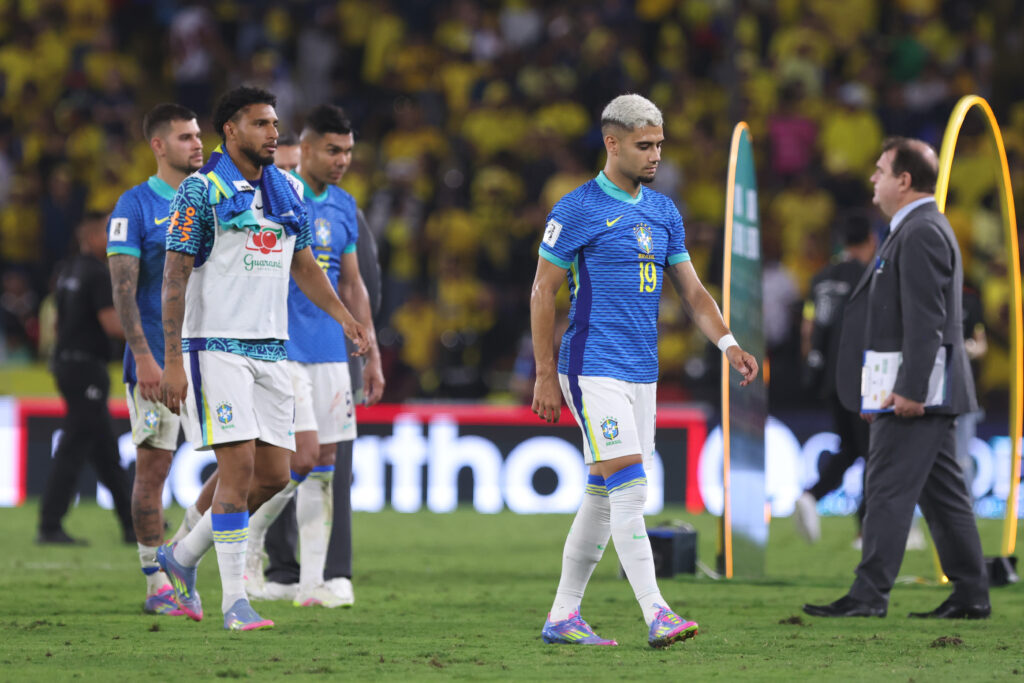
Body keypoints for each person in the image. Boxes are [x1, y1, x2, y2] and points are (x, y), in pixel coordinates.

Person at [530, 94, 759, 648]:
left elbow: (694, 293)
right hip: (591, 368)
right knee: (631, 488)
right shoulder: (577, 208)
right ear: (612, 143)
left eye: (659, 144)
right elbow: (542, 290)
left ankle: (563, 615)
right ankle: (657, 612)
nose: (656, 155)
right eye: (644, 145)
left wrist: (727, 343)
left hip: (642, 372)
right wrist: (542, 373)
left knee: (604, 495)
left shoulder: (663, 212)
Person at [156, 86, 369, 632]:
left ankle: (179, 558)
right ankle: (235, 603)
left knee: (278, 474)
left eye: (275, 123)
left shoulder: (286, 191)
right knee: (238, 470)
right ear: (230, 130)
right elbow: (175, 276)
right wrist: (174, 359)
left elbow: (304, 266)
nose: (273, 132)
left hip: (272, 350)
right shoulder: (200, 194)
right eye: (260, 124)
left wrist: (345, 317)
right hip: (217, 347)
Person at [804, 137, 990, 620]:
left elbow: (925, 321)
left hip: (916, 391)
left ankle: (869, 595)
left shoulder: (922, 230)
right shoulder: (913, 229)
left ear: (904, 181)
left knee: (885, 485)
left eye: (881, 170)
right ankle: (971, 593)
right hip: (917, 387)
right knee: (944, 494)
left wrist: (908, 389)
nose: (873, 178)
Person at [242, 104, 384, 608]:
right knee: (297, 459)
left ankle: (314, 584)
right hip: (284, 348)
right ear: (305, 147)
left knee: (324, 464)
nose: (342, 159)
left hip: (331, 352)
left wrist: (371, 352)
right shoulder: (276, 195)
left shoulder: (345, 205)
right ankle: (251, 544)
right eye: (332, 149)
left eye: (348, 151)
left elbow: (353, 283)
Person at [107, 103, 203, 616]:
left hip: (210, 356)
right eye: (186, 137)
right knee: (155, 468)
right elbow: (124, 290)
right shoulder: (135, 206)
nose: (197, 143)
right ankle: (155, 583)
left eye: (199, 135)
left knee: (246, 463)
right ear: (159, 146)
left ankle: (182, 552)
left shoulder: (209, 198)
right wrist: (143, 356)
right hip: (155, 364)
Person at [37, 213, 133, 545]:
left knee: (105, 451)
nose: (114, 239)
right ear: (92, 236)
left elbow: (57, 324)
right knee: (75, 445)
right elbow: (111, 325)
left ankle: (133, 525)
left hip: (68, 364)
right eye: (108, 233)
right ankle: (49, 524)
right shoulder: (96, 273)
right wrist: (147, 330)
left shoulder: (67, 271)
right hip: (87, 369)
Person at [793, 213, 876, 544]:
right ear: (870, 241)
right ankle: (866, 530)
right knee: (874, 452)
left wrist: (812, 364)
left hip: (830, 378)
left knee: (852, 448)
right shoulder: (870, 275)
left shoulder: (821, 278)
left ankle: (811, 495)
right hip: (862, 377)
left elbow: (808, 327)